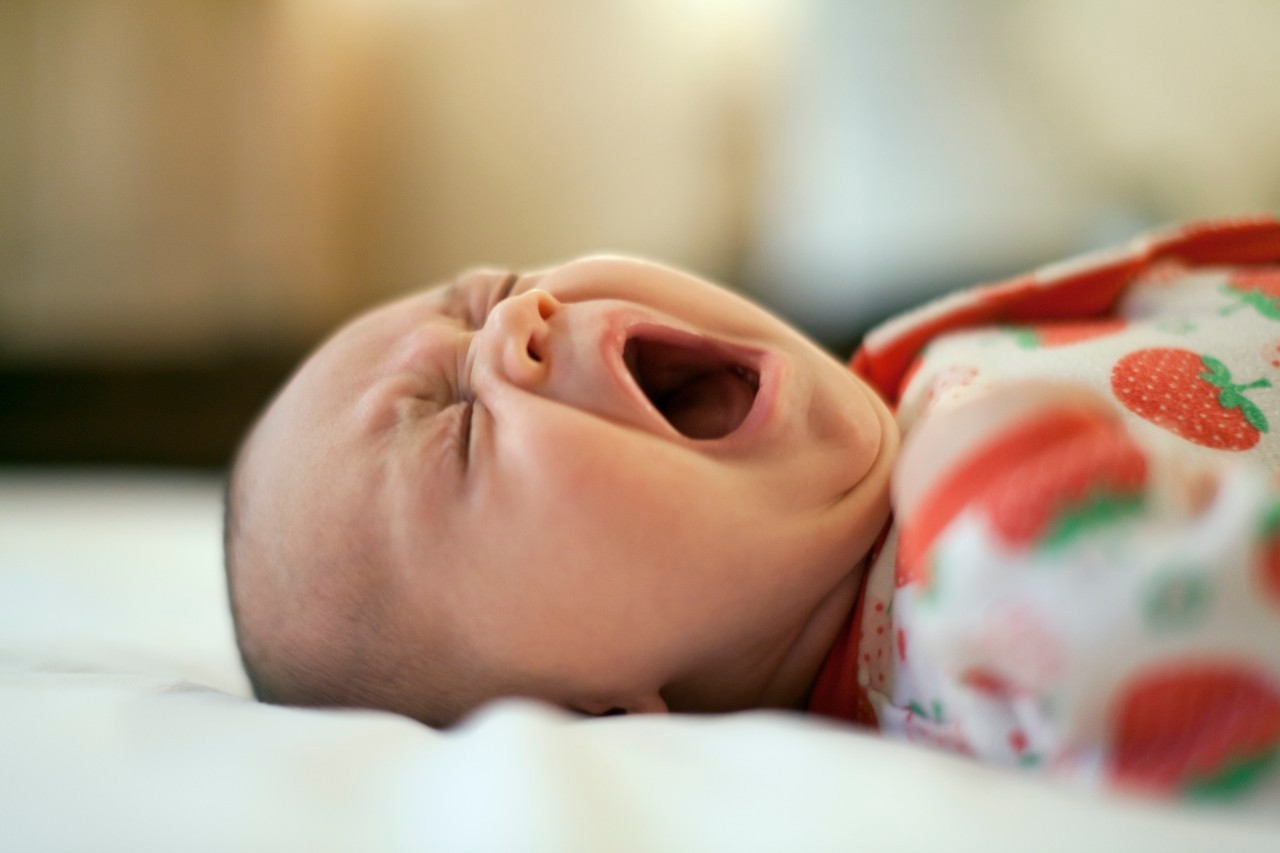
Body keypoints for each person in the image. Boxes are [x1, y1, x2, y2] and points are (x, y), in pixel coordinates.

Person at [224, 215, 1280, 805]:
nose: (520, 319)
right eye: (457, 429)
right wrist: (999, 485)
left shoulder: (915, 375)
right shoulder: (985, 624)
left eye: (489, 289)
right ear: (594, 717)